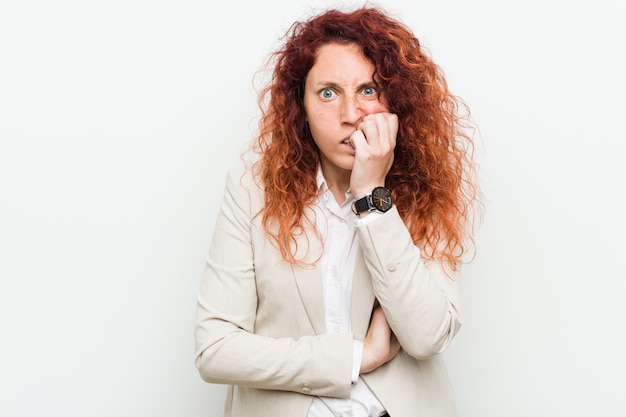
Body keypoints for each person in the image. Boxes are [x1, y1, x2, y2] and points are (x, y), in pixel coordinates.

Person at [194, 5, 481, 417]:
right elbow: (215, 348)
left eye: (368, 90)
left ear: (396, 99)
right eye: (328, 93)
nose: (351, 116)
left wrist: (372, 195)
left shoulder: (423, 186)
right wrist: (354, 359)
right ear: (302, 106)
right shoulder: (252, 187)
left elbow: (426, 336)